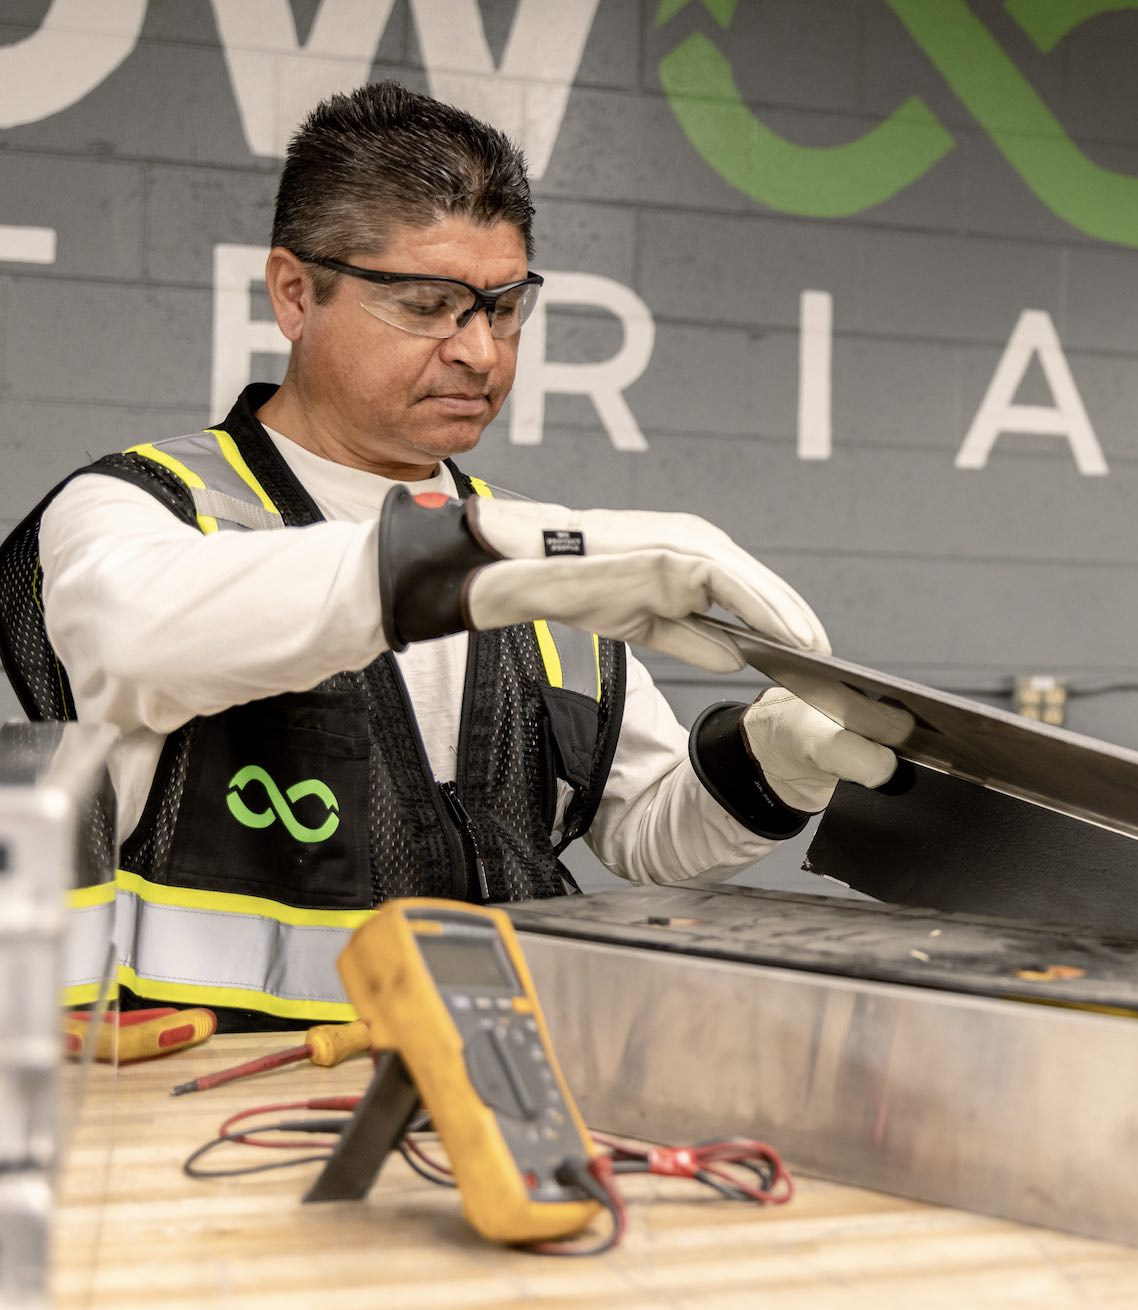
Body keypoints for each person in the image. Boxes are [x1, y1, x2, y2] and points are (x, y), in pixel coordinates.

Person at [1, 83, 896, 1029]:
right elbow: (144, 637)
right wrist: (499, 556)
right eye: (429, 306)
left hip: (494, 1084)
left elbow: (642, 831)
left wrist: (773, 763)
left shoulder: (531, 557)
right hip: (201, 1099)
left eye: (504, 308)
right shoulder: (142, 507)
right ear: (296, 292)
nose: (480, 352)